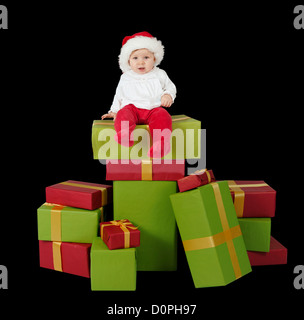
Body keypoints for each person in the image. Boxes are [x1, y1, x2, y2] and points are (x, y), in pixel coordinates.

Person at [101, 31, 177, 158]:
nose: (140, 62)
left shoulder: (159, 73)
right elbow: (118, 94)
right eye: (135, 58)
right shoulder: (126, 77)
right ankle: (125, 134)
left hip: (153, 109)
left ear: (154, 58)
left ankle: (161, 144)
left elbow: (170, 87)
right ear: (128, 61)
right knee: (123, 114)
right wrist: (114, 110)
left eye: (146, 58)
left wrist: (168, 95)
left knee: (163, 116)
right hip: (132, 108)